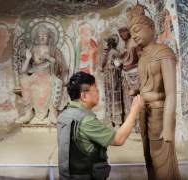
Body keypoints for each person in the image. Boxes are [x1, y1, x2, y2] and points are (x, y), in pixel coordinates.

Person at [57, 71, 144, 180]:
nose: (98, 92)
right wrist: (134, 110)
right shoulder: (86, 120)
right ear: (84, 95)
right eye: (95, 89)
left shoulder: (64, 114)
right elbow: (118, 139)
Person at [127, 5, 180, 179]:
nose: (134, 35)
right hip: (144, 112)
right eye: (131, 32)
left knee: (162, 161)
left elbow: (171, 93)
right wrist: (137, 90)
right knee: (148, 157)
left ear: (151, 28)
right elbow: (146, 85)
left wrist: (168, 127)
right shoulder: (142, 58)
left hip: (159, 112)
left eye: (137, 30)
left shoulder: (164, 53)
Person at [18, 25, 68, 124]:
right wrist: (28, 58)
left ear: (49, 37)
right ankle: (28, 112)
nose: (42, 37)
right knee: (24, 80)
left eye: (45, 35)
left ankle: (52, 112)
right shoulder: (32, 49)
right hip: (35, 75)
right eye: (40, 35)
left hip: (49, 74)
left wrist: (51, 59)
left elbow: (61, 66)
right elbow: (23, 71)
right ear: (36, 37)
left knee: (57, 82)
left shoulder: (54, 50)